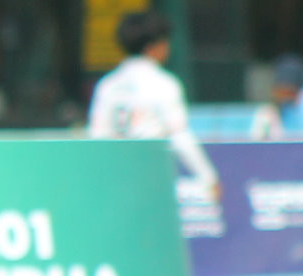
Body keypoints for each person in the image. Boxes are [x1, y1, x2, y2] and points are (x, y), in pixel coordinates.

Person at [87, 11, 218, 195]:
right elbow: (179, 134)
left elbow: (97, 134)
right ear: (152, 47)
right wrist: (208, 176)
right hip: (150, 175)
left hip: (115, 177)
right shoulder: (164, 83)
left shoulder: (107, 85)